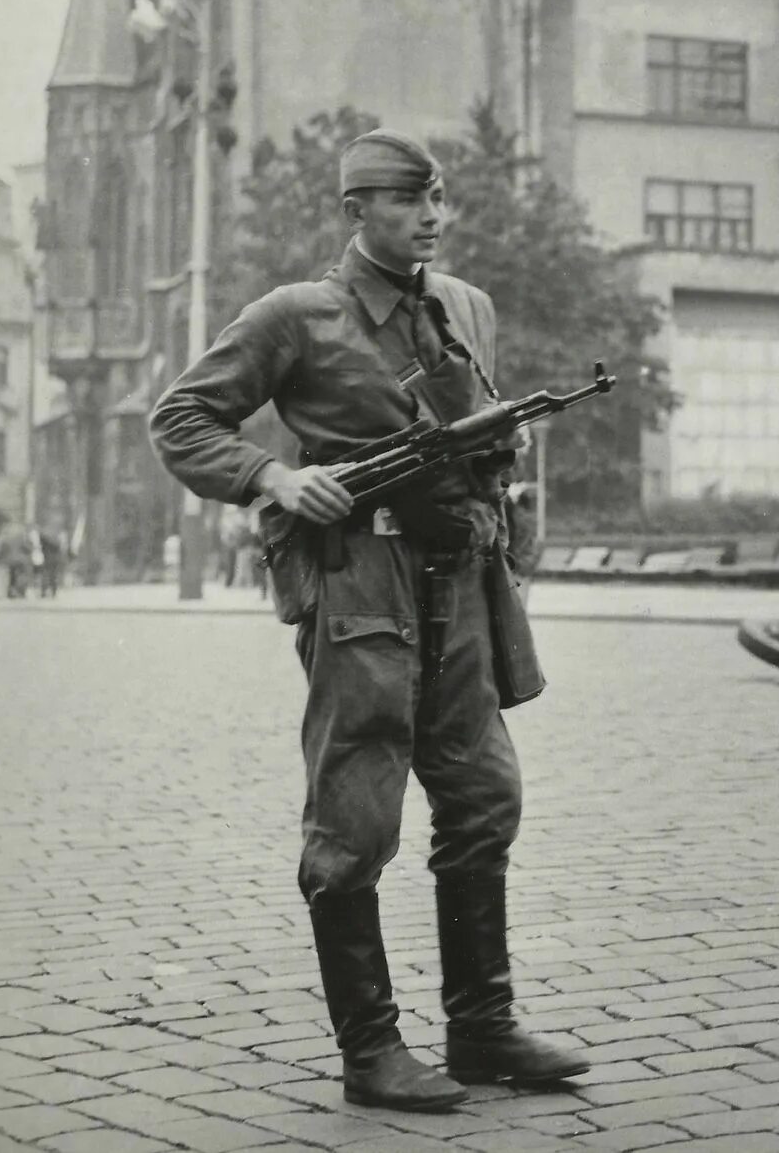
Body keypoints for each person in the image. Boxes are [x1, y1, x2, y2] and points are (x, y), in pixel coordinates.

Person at [149, 129, 586, 1111]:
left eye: (438, 198)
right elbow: (182, 416)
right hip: (362, 587)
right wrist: (272, 473)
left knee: (484, 796)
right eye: (405, 198)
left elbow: (482, 438)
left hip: (461, 580)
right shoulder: (296, 316)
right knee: (356, 816)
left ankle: (482, 1027)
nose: (431, 214)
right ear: (354, 210)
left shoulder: (466, 306)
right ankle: (372, 1047)